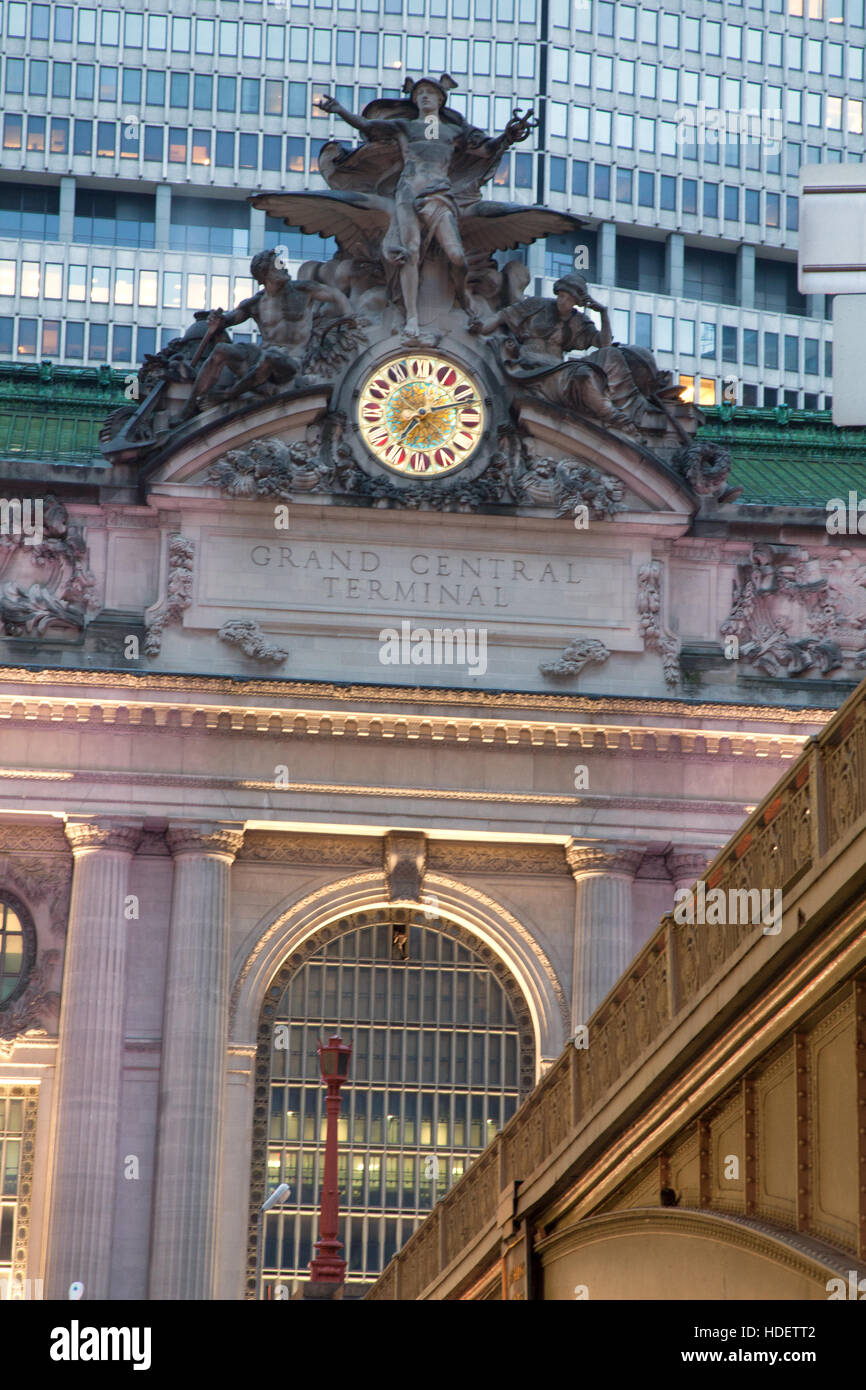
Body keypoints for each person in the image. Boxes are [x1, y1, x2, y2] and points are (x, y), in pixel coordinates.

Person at [315, 79, 532, 336]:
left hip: (439, 196)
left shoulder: (453, 132)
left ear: (441, 100)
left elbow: (487, 150)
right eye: (420, 94)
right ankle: (412, 318)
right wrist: (340, 110)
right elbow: (368, 126)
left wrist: (507, 137)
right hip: (407, 195)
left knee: (457, 257)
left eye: (430, 93)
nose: (425, 97)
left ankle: (462, 297)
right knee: (410, 254)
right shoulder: (404, 127)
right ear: (414, 100)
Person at [181, 249, 352, 418]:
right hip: (260, 361)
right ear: (264, 274)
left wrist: (352, 317)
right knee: (221, 350)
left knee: (271, 356)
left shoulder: (303, 290)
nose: (285, 267)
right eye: (278, 265)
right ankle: (188, 409)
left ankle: (228, 394)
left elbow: (336, 295)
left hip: (293, 362)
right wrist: (218, 320)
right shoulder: (255, 303)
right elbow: (229, 320)